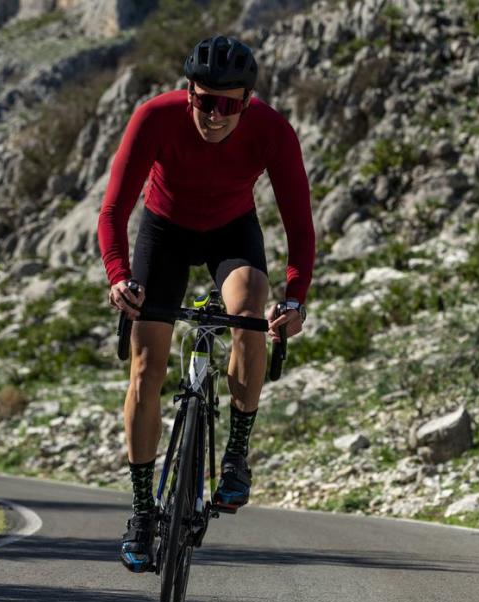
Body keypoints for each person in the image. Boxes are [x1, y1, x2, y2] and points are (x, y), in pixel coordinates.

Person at [97, 35, 315, 573]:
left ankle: (236, 453)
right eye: (204, 101)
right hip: (163, 231)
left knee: (250, 309)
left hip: (230, 232)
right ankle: (144, 513)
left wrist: (295, 299)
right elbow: (112, 210)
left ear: (247, 102)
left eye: (229, 105)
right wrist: (119, 278)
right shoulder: (154, 117)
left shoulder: (272, 131)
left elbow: (299, 225)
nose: (215, 116)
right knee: (146, 368)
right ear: (187, 90)